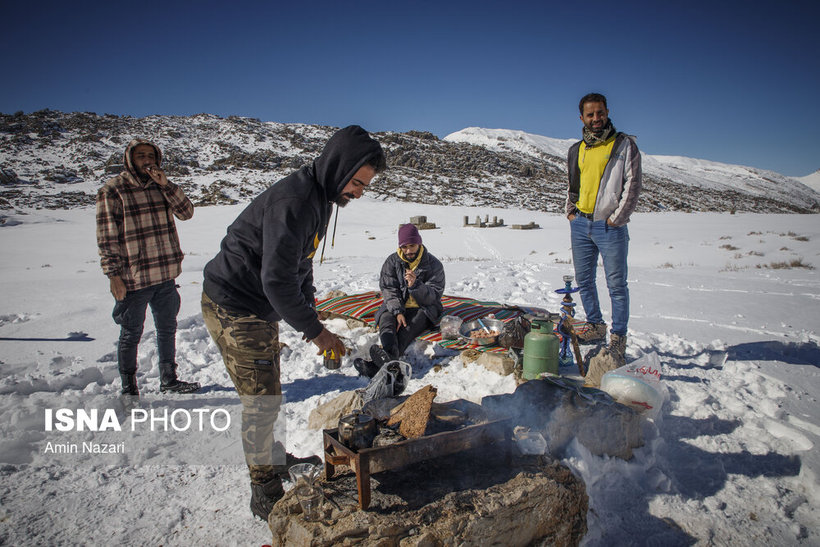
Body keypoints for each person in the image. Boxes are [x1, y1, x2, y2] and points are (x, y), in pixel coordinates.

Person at [200, 125, 386, 520]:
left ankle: (270, 458)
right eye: (356, 183)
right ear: (338, 168)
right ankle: (264, 489)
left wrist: (311, 311)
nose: (358, 192)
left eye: (364, 187)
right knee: (262, 399)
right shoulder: (296, 201)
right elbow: (275, 279)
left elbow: (299, 265)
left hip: (259, 304)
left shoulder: (320, 199)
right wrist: (316, 331)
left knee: (267, 389)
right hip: (234, 303)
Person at [96, 139, 200, 397]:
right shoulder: (113, 190)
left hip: (164, 272)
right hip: (134, 276)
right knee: (131, 333)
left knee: (167, 329)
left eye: (151, 155)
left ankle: (169, 379)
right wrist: (113, 275)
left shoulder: (161, 186)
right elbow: (107, 237)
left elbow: (186, 213)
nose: (147, 160)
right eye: (141, 155)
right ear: (130, 159)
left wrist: (167, 185)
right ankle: (129, 387)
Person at [566, 93, 642, 361]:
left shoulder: (624, 145)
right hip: (581, 223)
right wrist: (571, 211)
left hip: (609, 226)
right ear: (582, 118)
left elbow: (632, 186)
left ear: (607, 112)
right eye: (590, 115)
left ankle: (618, 338)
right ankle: (596, 326)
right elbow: (574, 184)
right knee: (584, 280)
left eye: (600, 113)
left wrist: (616, 218)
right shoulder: (577, 149)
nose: (596, 119)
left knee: (616, 285)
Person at [354, 223, 445, 378]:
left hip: (423, 308)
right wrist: (397, 311)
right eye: (404, 247)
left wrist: (416, 285)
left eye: (412, 246)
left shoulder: (433, 264)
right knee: (386, 319)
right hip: (398, 304)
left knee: (406, 331)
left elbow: (433, 295)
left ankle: (379, 366)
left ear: (419, 243)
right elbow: (389, 289)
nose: (408, 251)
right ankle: (389, 361)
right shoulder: (392, 262)